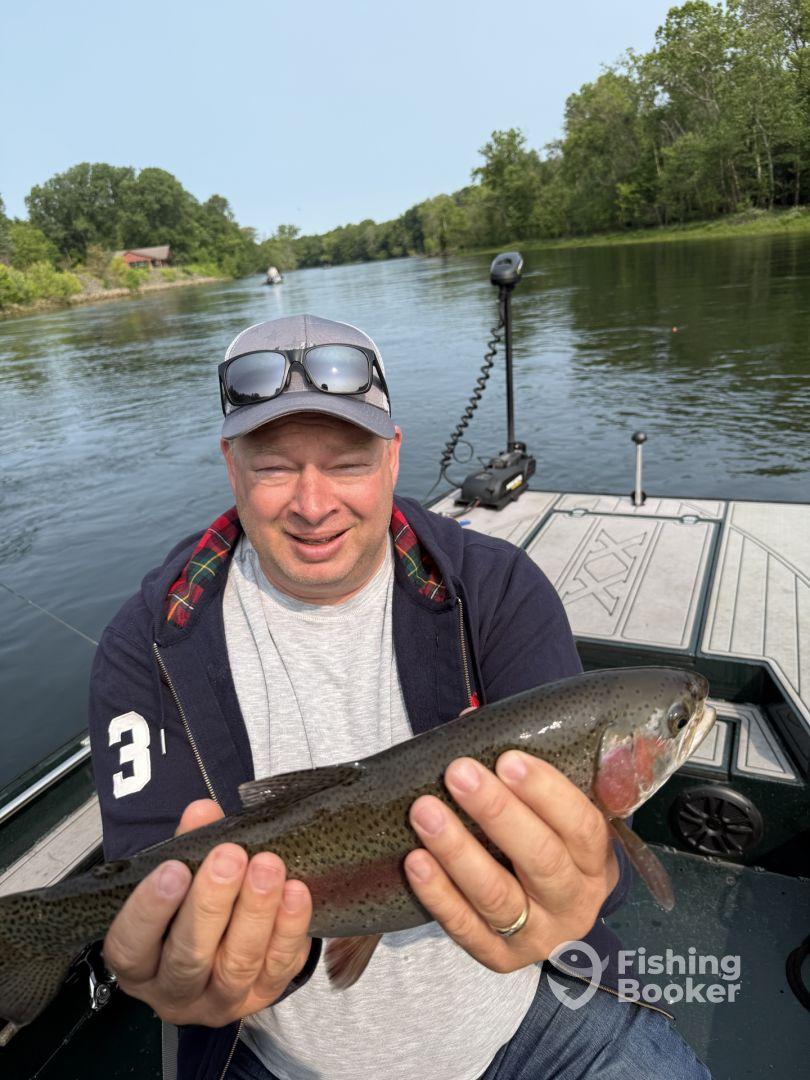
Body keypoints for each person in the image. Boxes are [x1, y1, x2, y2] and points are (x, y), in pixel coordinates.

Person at [88, 314, 710, 1080]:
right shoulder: (147, 643)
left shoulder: (498, 589)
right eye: (276, 466)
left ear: (392, 457)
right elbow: (142, 891)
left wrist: (584, 891)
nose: (313, 505)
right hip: (276, 1053)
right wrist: (186, 976)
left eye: (347, 463)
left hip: (533, 1017)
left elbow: (594, 860)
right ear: (231, 464)